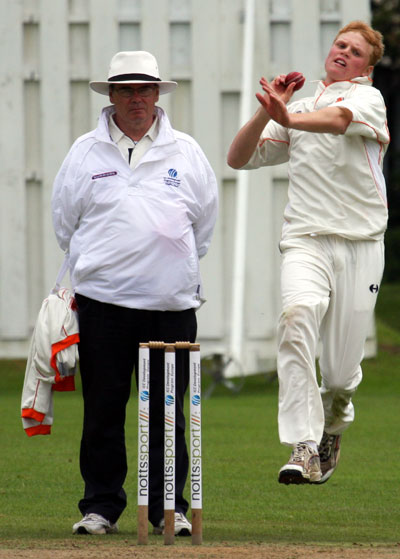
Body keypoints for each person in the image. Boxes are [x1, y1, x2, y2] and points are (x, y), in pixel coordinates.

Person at [51, 51, 218, 534]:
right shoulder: (85, 152)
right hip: (102, 304)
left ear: (157, 94)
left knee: (168, 413)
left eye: (145, 89)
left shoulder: (186, 151)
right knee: (103, 409)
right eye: (126, 89)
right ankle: (101, 507)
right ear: (111, 95)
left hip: (170, 304)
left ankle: (170, 509)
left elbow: (203, 227)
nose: (136, 99)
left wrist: (166, 264)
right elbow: (65, 224)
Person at [227, 21, 389, 485]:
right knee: (296, 317)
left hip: (360, 244)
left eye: (355, 51)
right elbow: (238, 158)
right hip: (305, 239)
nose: (343, 53)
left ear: (366, 68)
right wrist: (268, 112)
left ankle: (333, 426)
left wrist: (287, 117)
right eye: (340, 44)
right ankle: (304, 445)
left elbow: (337, 122)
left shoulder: (368, 100)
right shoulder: (297, 107)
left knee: (338, 377)